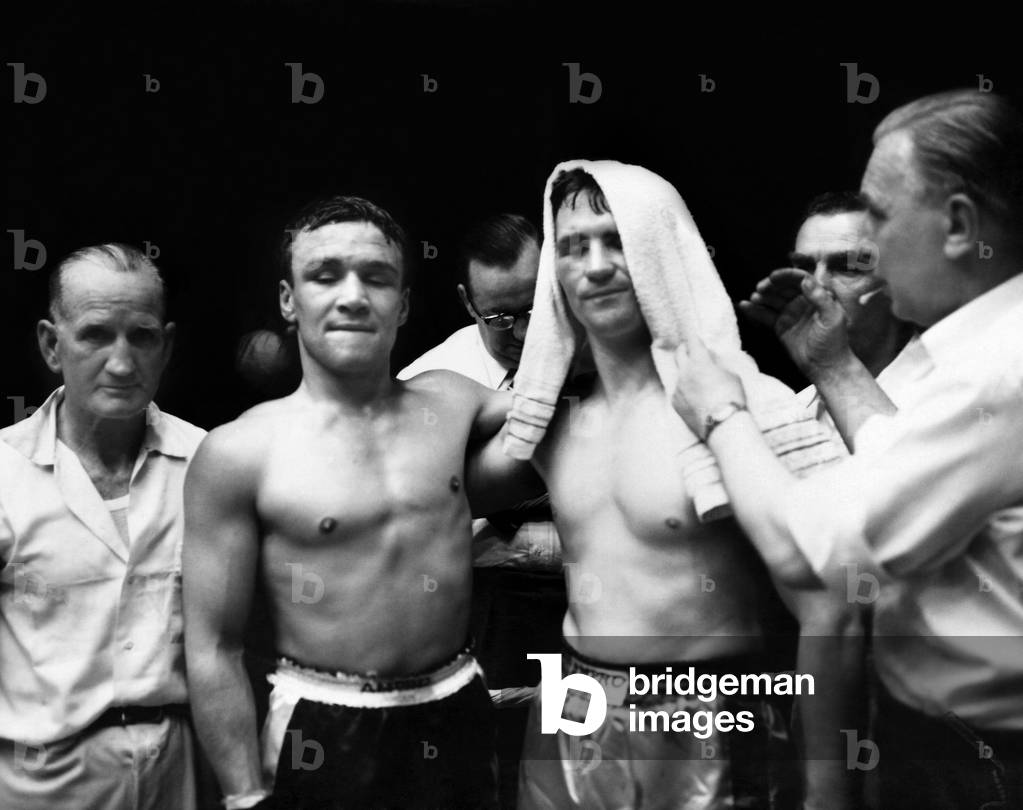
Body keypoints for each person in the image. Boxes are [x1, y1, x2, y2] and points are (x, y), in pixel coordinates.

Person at [671, 89, 1023, 809]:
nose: (873, 246)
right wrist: (830, 365)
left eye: (882, 221)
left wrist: (721, 413)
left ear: (958, 225)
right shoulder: (971, 353)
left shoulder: (997, 371)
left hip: (981, 760)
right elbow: (899, 460)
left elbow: (813, 552)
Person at [504, 160, 844, 810]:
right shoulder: (546, 421)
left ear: (660, 251)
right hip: (573, 708)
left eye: (618, 241)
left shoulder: (745, 406)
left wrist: (828, 788)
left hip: (709, 719)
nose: (596, 265)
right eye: (573, 247)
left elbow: (832, 604)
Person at [183, 196, 542, 809]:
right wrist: (244, 796)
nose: (353, 295)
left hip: (456, 705)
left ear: (402, 304)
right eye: (325, 275)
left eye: (376, 277)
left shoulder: (452, 400)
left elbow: (561, 415)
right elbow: (213, 647)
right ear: (288, 300)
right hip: (325, 723)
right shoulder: (237, 452)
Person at [0, 243, 205, 809]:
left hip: (177, 770)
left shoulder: (210, 464)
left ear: (165, 346)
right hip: (36, 779)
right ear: (50, 343)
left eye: (140, 336)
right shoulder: (3, 474)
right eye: (95, 335)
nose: (121, 362)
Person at [744, 192, 924, 808]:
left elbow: (911, 514)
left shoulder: (958, 391)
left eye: (848, 265)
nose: (817, 286)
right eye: (804, 265)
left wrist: (833, 363)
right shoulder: (793, 410)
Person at [397, 213, 566, 809]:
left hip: (591, 624)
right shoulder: (425, 385)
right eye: (500, 317)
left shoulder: (603, 361)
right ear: (468, 302)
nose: (520, 331)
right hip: (479, 626)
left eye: (533, 308)